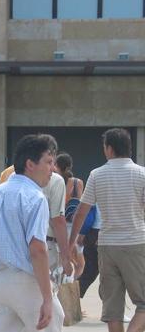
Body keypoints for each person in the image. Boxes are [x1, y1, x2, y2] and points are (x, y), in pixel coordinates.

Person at [0, 134, 64, 331]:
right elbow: (37, 250)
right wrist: (47, 297)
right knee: (51, 322)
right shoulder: (35, 197)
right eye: (49, 162)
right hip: (26, 281)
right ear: (30, 164)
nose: (53, 168)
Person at [69, 128, 145, 332]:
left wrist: (70, 243)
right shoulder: (141, 174)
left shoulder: (96, 174)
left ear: (109, 148)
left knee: (113, 309)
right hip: (135, 243)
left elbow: (81, 212)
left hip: (106, 246)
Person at [55, 153, 86, 279]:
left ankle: (62, 285)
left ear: (56, 165)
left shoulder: (54, 181)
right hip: (74, 227)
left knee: (60, 260)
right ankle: (70, 284)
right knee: (80, 263)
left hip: (57, 226)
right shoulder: (77, 183)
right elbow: (81, 205)